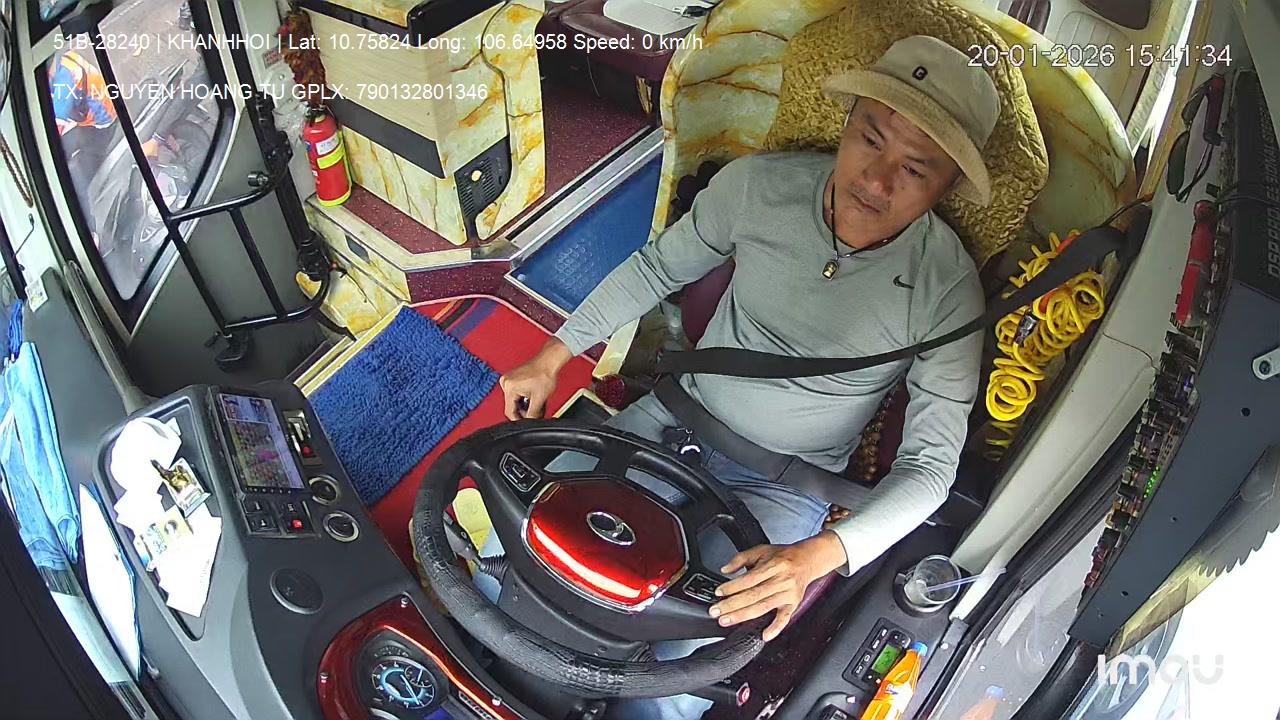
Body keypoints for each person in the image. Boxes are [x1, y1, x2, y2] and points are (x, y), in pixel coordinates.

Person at [490, 34, 1001, 718]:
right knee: (509, 559)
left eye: (915, 169)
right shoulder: (760, 186)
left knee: (674, 677)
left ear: (948, 185)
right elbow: (656, 269)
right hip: (670, 421)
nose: (877, 181)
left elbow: (931, 469)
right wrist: (553, 355)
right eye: (870, 139)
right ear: (846, 120)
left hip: (784, 486)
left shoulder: (949, 290)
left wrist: (819, 555)